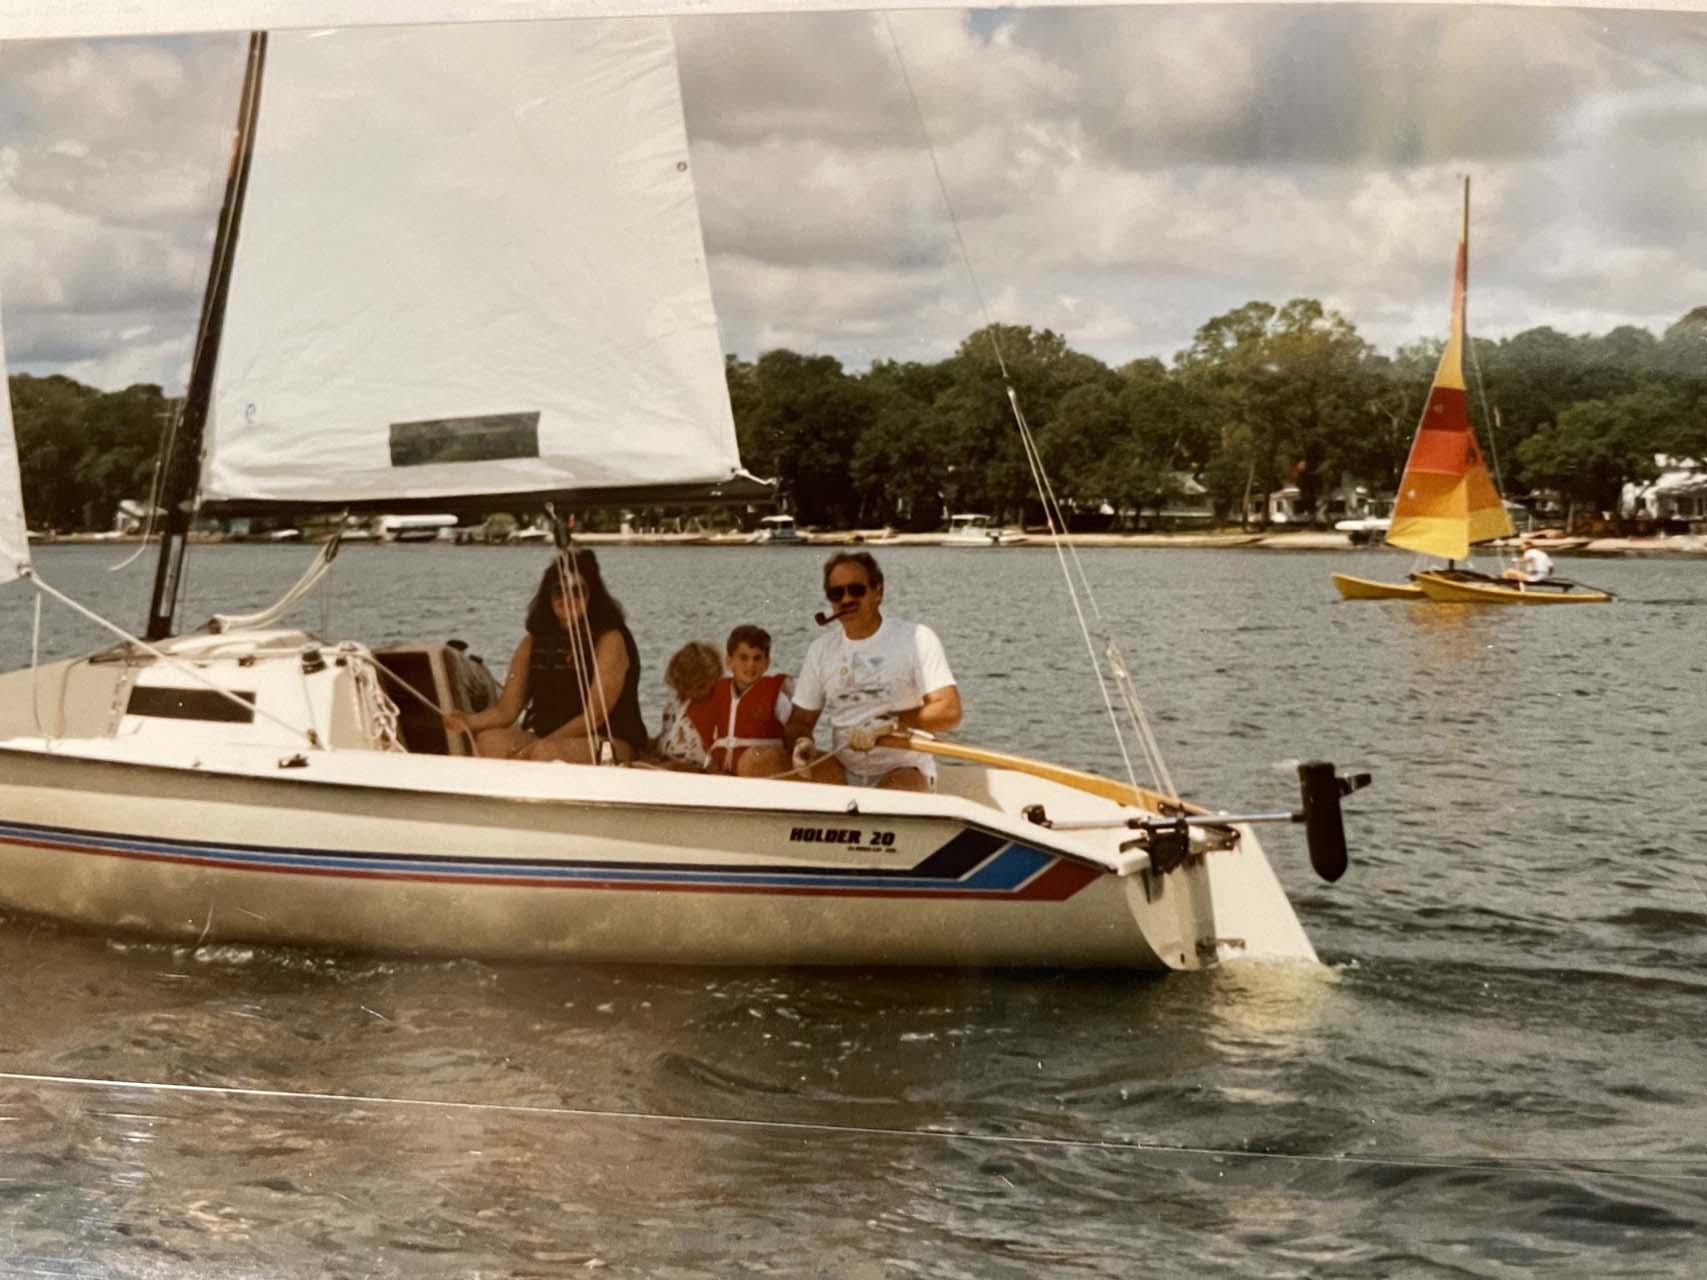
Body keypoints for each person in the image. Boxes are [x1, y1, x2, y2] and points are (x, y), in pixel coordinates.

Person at [444, 550, 648, 762]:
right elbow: (507, 710)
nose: (567, 599)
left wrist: (541, 745)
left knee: (546, 753)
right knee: (489, 741)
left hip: (609, 739)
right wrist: (467, 721)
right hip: (549, 738)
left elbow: (595, 716)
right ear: (548, 597)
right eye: (559, 592)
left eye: (577, 592)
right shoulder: (531, 642)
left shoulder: (610, 640)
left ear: (592, 596)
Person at [784, 551, 961, 792]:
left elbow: (949, 710)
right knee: (761, 762)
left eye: (856, 590)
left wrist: (891, 723)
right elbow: (800, 722)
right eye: (837, 593)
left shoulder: (916, 638)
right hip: (842, 768)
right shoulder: (821, 649)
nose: (846, 599)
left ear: (878, 592)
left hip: (904, 769)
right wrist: (801, 743)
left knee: (900, 787)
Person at [655, 641, 724, 771]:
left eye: (701, 687)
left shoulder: (717, 706)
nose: (694, 693)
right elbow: (666, 735)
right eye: (687, 687)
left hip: (697, 769)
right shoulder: (673, 707)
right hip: (669, 761)